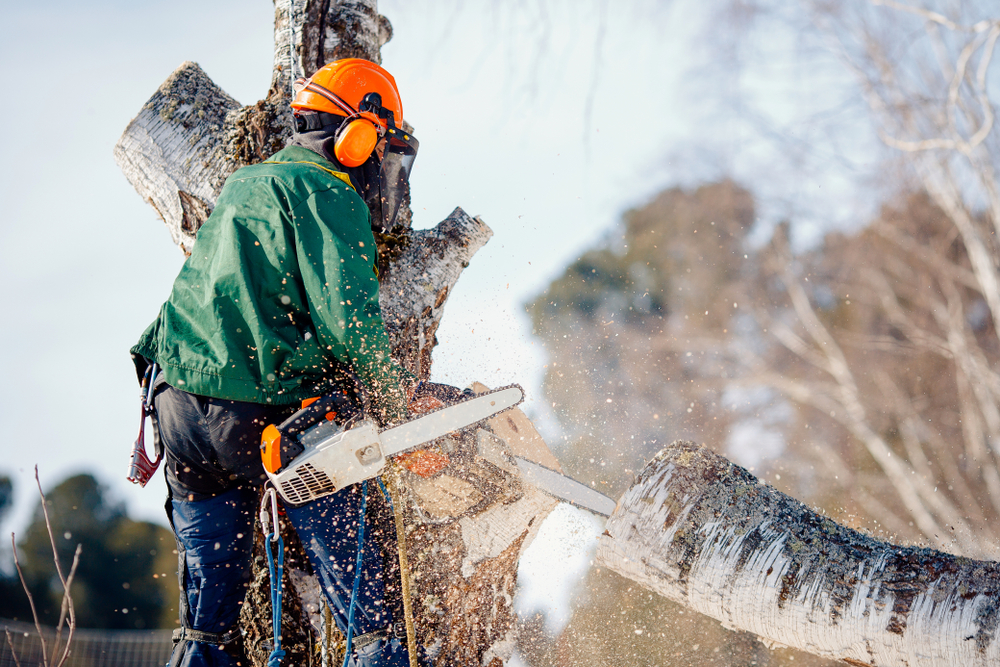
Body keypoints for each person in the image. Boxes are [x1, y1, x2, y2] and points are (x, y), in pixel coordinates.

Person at [131, 58, 422, 667]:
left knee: (206, 634)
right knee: (375, 625)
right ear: (359, 134)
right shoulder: (327, 192)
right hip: (265, 421)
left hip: (177, 410)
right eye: (383, 147)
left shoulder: (247, 182)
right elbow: (353, 325)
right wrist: (399, 414)